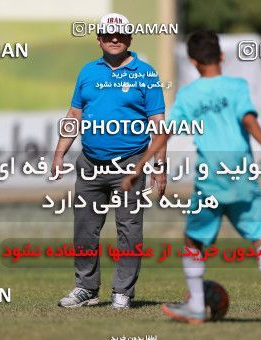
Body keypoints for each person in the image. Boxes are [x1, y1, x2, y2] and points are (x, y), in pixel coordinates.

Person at [122, 30, 261, 326]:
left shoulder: (189, 94)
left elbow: (165, 133)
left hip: (211, 174)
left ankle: (197, 306)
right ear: (221, 57)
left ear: (193, 61)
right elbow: (248, 120)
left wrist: (140, 166)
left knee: (193, 240)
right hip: (241, 172)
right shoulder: (238, 86)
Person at [53, 13, 166, 309]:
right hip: (90, 164)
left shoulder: (146, 73)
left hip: (130, 164)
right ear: (99, 39)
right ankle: (86, 288)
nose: (114, 39)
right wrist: (59, 153)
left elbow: (158, 123)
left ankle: (123, 293)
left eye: (120, 35)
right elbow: (74, 116)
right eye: (108, 34)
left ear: (130, 38)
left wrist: (160, 167)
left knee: (129, 229)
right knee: (85, 229)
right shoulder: (87, 73)